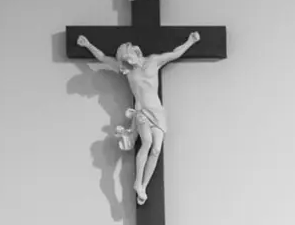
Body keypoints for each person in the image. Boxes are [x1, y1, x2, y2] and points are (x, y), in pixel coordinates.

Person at [79, 32, 203, 205]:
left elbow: (175, 53)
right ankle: (138, 183)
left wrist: (190, 41)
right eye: (124, 59)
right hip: (142, 111)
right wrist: (87, 44)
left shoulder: (154, 61)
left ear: (136, 53)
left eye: (128, 57)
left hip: (158, 111)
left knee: (156, 149)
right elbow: (103, 58)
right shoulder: (127, 70)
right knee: (146, 142)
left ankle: (142, 185)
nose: (127, 61)